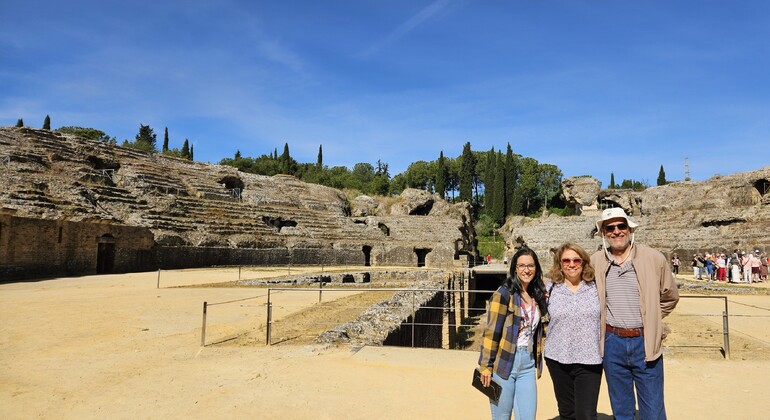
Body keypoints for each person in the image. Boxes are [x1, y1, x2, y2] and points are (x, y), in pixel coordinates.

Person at [590, 208, 680, 420]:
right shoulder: (596, 261)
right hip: (611, 342)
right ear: (603, 233)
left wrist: (652, 320)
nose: (616, 231)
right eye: (610, 228)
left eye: (621, 226)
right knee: (621, 409)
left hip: (645, 341)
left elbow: (670, 296)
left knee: (653, 409)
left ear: (629, 229)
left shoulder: (654, 258)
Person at [478, 247, 549, 420]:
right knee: (501, 416)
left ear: (536, 268)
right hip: (504, 363)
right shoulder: (504, 293)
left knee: (527, 416)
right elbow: (491, 332)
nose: (526, 270)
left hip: (527, 363)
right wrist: (485, 366)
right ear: (515, 268)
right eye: (522, 265)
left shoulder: (537, 294)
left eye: (530, 266)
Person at [545, 243, 603, 420]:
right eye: (566, 260)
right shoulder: (550, 289)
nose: (571, 264)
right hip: (558, 358)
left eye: (576, 260)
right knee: (567, 413)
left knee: (586, 415)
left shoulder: (597, 287)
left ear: (584, 262)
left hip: (589, 360)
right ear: (560, 263)